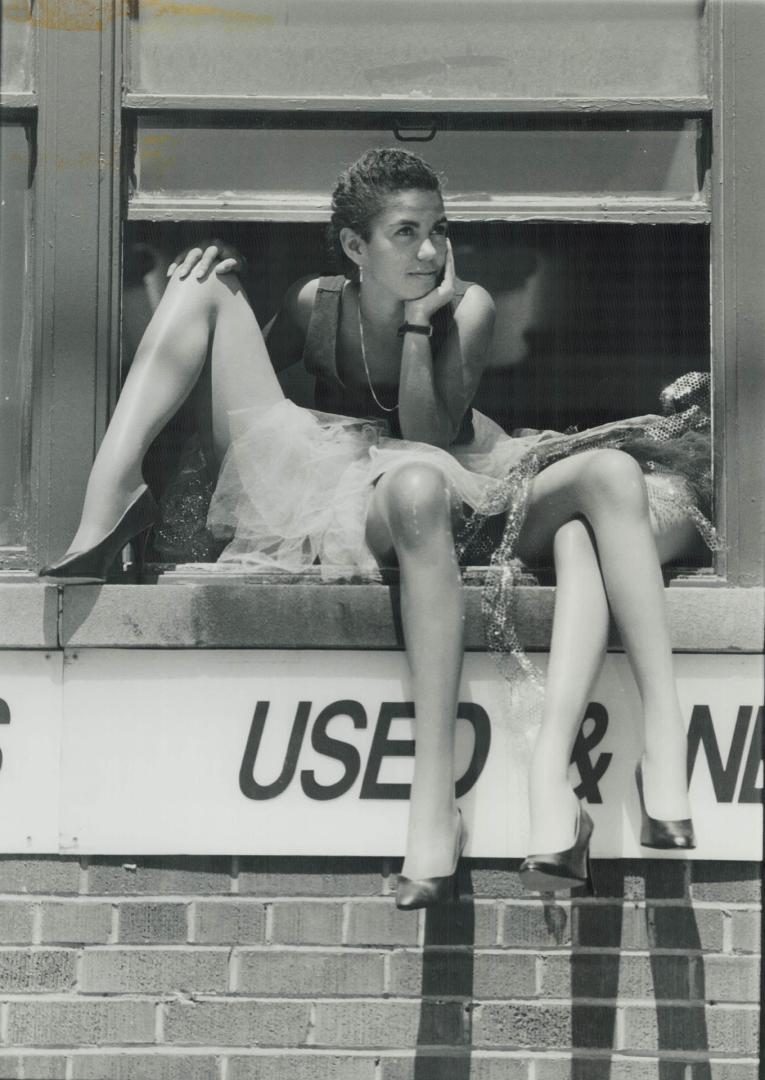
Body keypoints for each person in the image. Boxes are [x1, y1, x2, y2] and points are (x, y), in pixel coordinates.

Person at [41, 148, 710, 902]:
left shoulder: (470, 308)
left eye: (436, 230)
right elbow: (248, 393)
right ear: (356, 248)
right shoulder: (314, 303)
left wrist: (424, 324)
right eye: (404, 233)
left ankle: (663, 743)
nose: (427, 250)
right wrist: (213, 281)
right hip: (354, 486)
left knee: (598, 472)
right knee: (203, 288)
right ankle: (111, 490)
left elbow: (428, 432)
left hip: (463, 487)